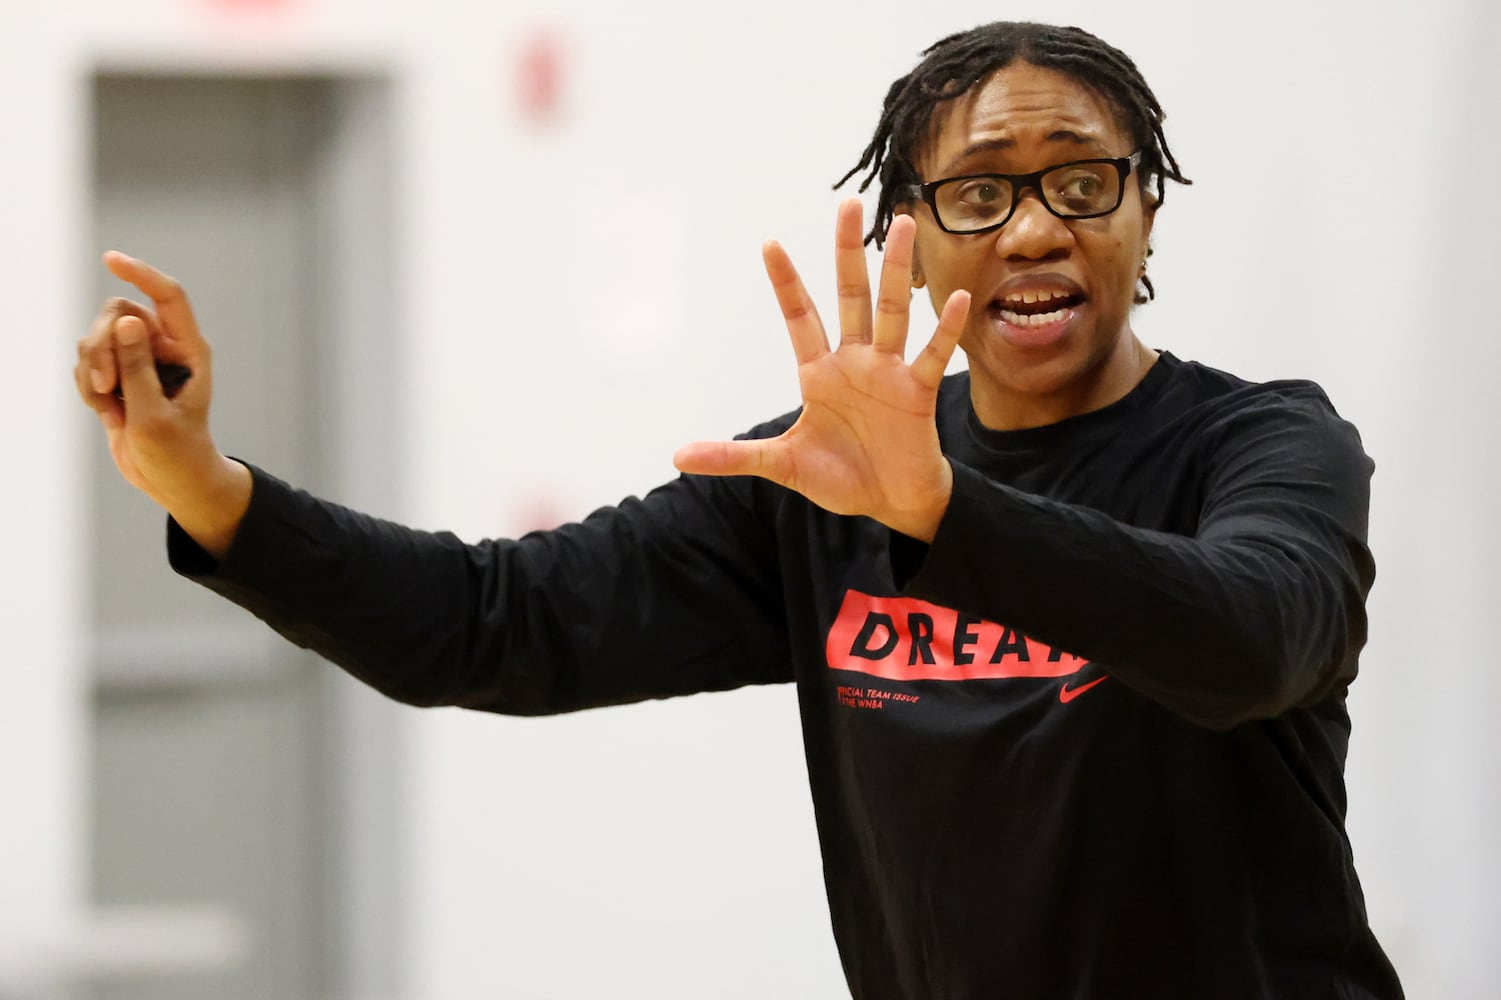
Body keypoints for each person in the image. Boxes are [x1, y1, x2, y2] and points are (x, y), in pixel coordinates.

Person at [73, 20, 1404, 1000]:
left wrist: (947, 515)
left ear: (1145, 209)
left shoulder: (1261, 445)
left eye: (1081, 181)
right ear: (912, 236)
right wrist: (207, 486)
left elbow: (1248, 642)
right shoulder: (815, 483)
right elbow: (492, 623)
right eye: (979, 192)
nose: (1034, 230)